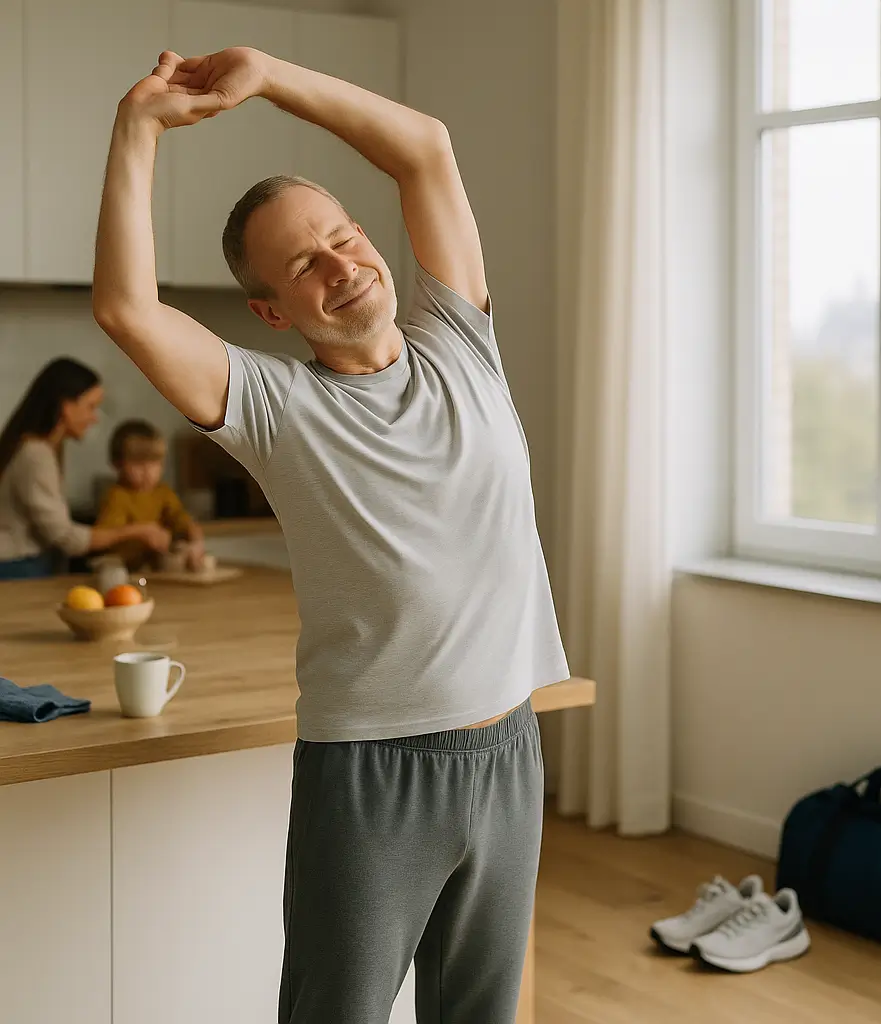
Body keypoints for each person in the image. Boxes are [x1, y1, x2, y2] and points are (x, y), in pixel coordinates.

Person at [93, 47, 569, 1024]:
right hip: (373, 769)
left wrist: (266, 76)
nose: (340, 264)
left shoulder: (463, 342)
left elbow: (425, 151)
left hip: (509, 746)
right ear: (273, 309)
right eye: (304, 263)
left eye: (345, 237)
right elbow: (125, 308)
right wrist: (136, 129)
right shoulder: (273, 402)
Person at [0, 359, 172, 580]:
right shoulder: (36, 454)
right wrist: (139, 531)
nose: (94, 417)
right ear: (66, 406)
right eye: (90, 406)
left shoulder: (37, 448)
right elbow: (66, 538)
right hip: (18, 568)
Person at [95, 419, 205, 572]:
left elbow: (180, 518)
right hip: (126, 566)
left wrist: (195, 538)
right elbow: (107, 537)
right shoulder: (116, 496)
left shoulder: (162, 492)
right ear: (117, 463)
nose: (147, 471)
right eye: (138, 463)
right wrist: (143, 533)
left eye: (154, 463)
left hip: (155, 564)